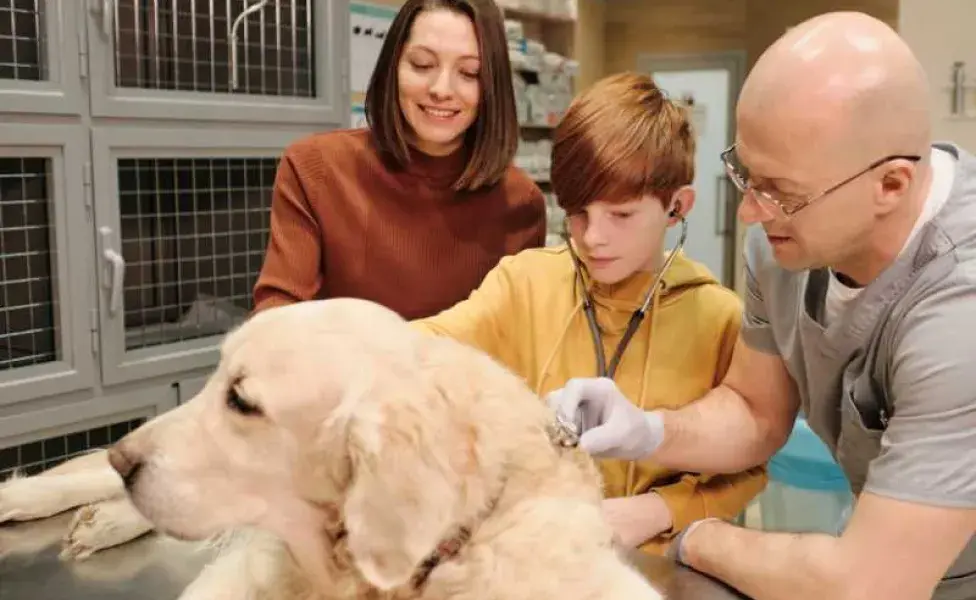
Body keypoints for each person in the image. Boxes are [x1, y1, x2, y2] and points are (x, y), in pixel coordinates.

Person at [545, 12, 976, 600]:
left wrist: (688, 533)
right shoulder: (783, 247)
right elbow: (755, 411)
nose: (750, 212)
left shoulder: (959, 312)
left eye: (781, 193)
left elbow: (866, 584)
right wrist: (645, 431)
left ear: (891, 186)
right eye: (746, 176)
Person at [412, 71, 768, 556]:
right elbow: (424, 346)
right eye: (578, 212)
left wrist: (658, 510)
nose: (593, 236)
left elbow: (748, 464)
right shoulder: (524, 284)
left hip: (653, 565)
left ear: (677, 207)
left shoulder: (719, 318)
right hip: (533, 557)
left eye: (620, 215)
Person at [252, 0, 546, 319]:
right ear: (393, 66)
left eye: (469, 72)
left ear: (492, 85)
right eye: (422, 65)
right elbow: (277, 316)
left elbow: (517, 336)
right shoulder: (315, 168)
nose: (441, 89)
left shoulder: (520, 202)